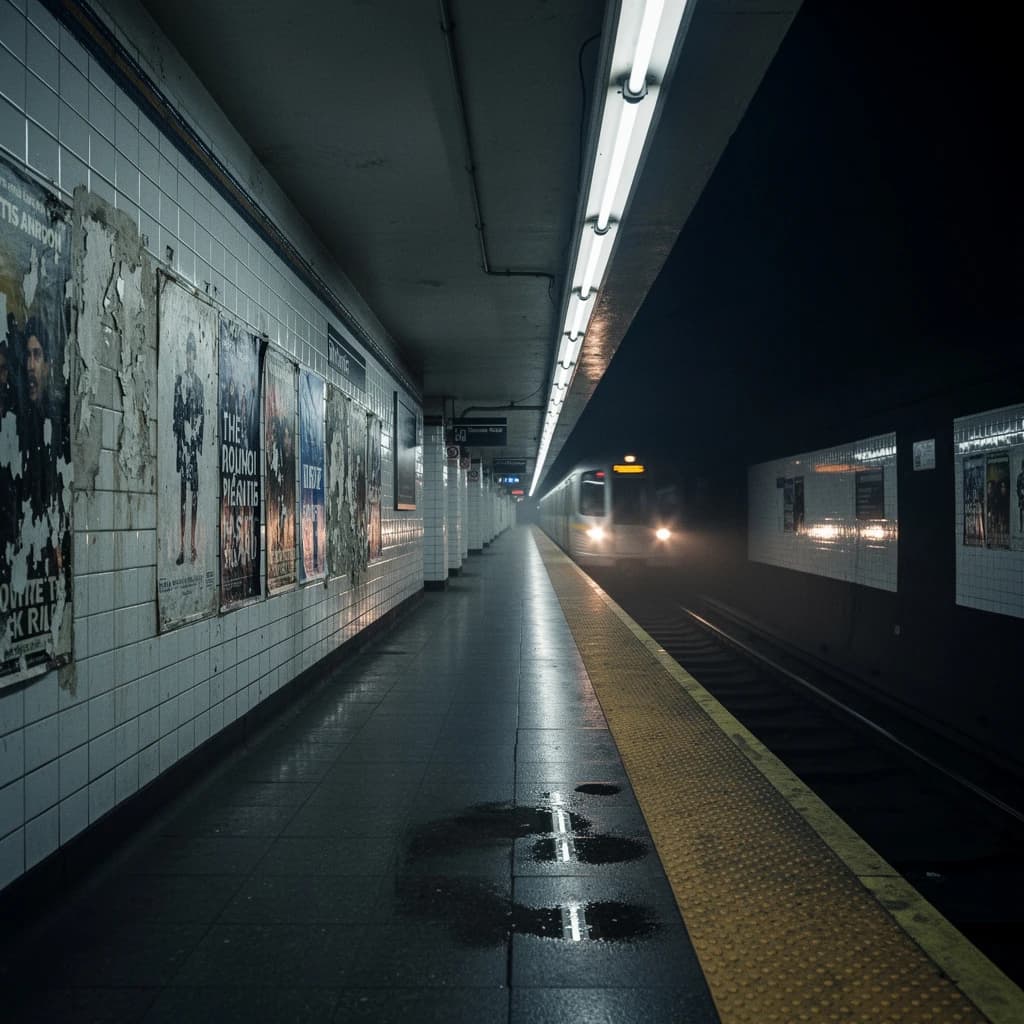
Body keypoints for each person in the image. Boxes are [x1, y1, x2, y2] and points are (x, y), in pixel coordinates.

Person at [173, 332, 204, 564]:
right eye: (188, 354)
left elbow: (201, 414)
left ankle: (193, 544)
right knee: (183, 495)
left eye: (193, 355)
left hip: (193, 448)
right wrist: (183, 429)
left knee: (194, 496)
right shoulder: (179, 382)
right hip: (183, 446)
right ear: (185, 356)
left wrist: (195, 433)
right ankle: (183, 546)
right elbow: (176, 414)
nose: (190, 359)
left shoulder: (200, 385)